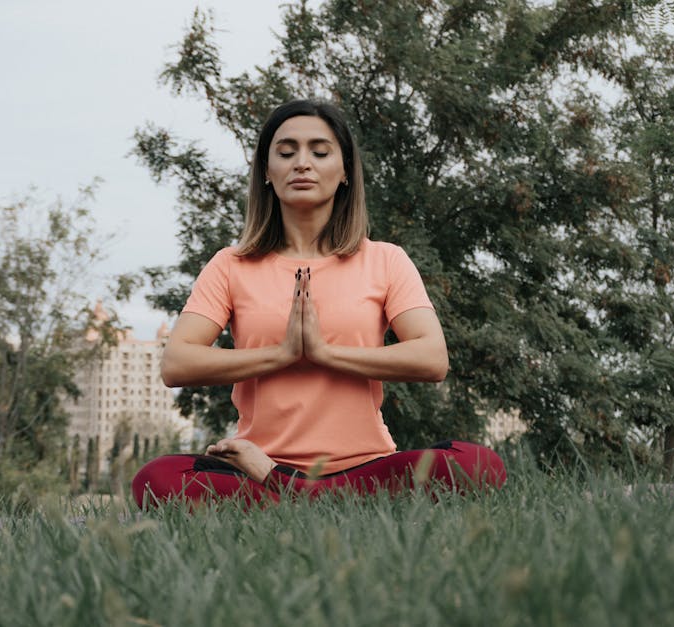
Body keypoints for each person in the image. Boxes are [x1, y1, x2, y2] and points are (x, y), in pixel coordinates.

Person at [132, 99, 505, 508]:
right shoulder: (231, 265)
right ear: (267, 173)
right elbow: (177, 364)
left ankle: (299, 494)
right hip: (254, 463)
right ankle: (330, 501)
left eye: (320, 152)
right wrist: (283, 354)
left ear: (345, 171)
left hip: (363, 466)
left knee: (478, 465)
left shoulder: (385, 260)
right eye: (286, 152)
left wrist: (324, 353)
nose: (302, 163)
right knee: (157, 479)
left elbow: (432, 358)